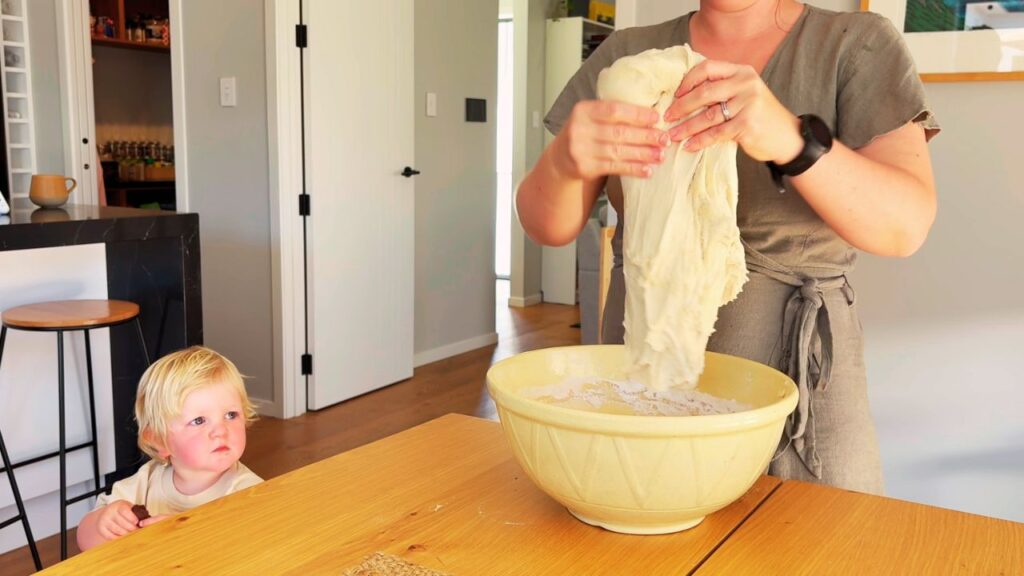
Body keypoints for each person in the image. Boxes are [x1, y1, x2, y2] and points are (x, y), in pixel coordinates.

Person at [516, 0, 939, 494]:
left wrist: (791, 139)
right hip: (646, 380)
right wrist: (567, 160)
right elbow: (547, 226)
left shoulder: (855, 44)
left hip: (802, 391)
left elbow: (903, 227)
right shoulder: (627, 54)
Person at [77, 346, 262, 550]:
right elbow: (86, 541)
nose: (220, 430)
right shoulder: (146, 481)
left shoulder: (250, 491)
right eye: (199, 420)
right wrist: (103, 522)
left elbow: (258, 550)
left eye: (231, 415)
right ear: (159, 441)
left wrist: (187, 535)